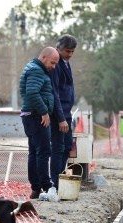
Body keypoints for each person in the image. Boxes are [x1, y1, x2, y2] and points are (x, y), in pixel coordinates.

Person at [19, 46, 59, 199]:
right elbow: (32, 92)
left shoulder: (34, 68)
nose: (53, 67)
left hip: (31, 115)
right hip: (36, 116)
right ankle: (46, 186)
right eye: (52, 62)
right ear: (44, 58)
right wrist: (44, 111)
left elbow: (30, 92)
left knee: (35, 152)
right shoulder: (36, 70)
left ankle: (36, 188)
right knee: (43, 151)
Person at [50, 34, 77, 188]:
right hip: (59, 114)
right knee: (58, 148)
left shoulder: (66, 63)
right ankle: (55, 183)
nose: (70, 55)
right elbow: (55, 93)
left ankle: (61, 179)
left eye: (72, 52)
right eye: (67, 51)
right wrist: (60, 118)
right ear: (58, 48)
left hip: (67, 111)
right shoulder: (56, 64)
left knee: (67, 147)